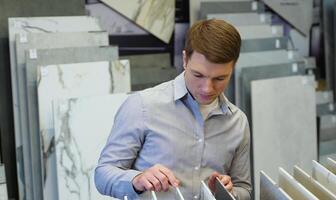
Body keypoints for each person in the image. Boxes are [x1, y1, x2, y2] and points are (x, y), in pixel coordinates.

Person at [95, 19, 251, 200]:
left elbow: (244, 189)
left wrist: (229, 193)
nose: (207, 88)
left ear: (233, 68)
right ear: (185, 59)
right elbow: (103, 175)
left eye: (219, 78)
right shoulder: (142, 106)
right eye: (198, 75)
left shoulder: (238, 122)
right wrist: (137, 179)